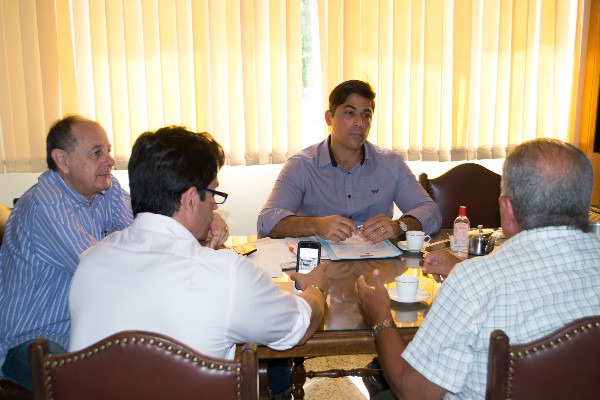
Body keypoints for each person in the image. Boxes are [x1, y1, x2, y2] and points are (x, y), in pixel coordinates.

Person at [68, 127, 329, 396]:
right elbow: (297, 327)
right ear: (192, 199)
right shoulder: (225, 274)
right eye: (213, 193)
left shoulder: (90, 262)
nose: (215, 206)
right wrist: (316, 288)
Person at [355, 138, 600, 399]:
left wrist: (380, 318)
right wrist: (468, 268)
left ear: (506, 209)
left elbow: (414, 392)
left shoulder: (473, 282)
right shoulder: (475, 278)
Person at [0, 115, 134, 390]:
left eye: (108, 150)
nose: (110, 160)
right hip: (31, 340)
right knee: (94, 389)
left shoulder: (107, 189)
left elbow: (144, 235)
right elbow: (103, 271)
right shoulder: (45, 205)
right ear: (62, 160)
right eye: (97, 153)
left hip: (84, 333)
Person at [258, 80, 441, 243]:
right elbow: (267, 221)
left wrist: (399, 226)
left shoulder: (391, 164)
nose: (359, 123)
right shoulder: (301, 165)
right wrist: (315, 225)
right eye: (349, 113)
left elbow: (430, 211)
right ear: (329, 118)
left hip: (377, 262)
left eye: (366, 115)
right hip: (319, 264)